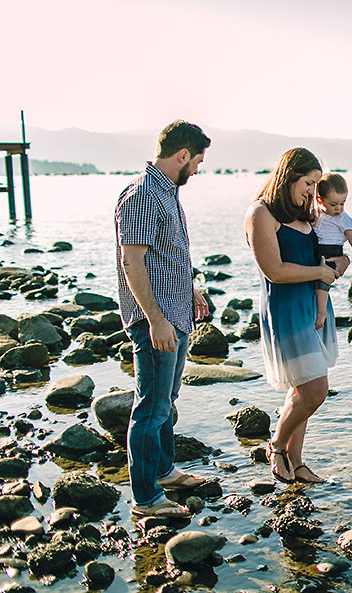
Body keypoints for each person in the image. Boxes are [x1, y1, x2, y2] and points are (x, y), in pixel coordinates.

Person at [115, 120, 211, 518]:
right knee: (151, 407)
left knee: (165, 402)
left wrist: (190, 290)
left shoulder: (166, 192)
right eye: (198, 161)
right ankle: (146, 500)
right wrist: (154, 320)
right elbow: (131, 261)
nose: (198, 170)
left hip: (176, 311)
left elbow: (166, 255)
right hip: (156, 318)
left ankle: (165, 471)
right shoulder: (142, 195)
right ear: (182, 155)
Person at [244, 148, 350, 484]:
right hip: (286, 311)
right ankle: (275, 447)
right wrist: (320, 272)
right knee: (314, 390)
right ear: (288, 176)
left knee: (302, 388)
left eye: (317, 185)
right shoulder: (260, 213)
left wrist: (340, 264)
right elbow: (274, 271)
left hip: (314, 308)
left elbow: (332, 252)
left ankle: (297, 460)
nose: (313, 192)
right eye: (308, 183)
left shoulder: (307, 214)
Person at [312, 172, 352, 329]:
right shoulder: (315, 212)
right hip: (316, 249)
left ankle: (322, 311)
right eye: (333, 204)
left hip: (332, 251)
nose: (338, 208)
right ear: (320, 200)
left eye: (342, 203)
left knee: (322, 281)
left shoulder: (343, 218)